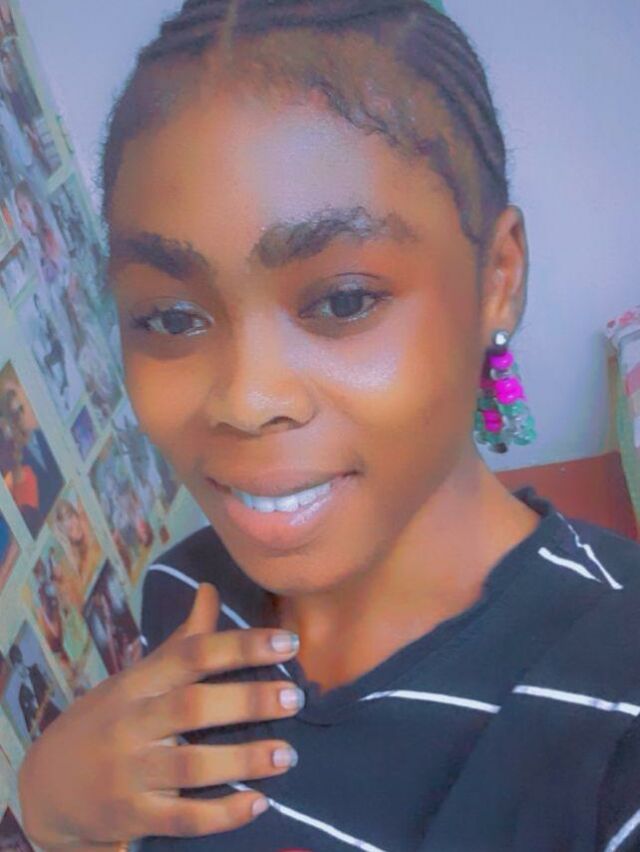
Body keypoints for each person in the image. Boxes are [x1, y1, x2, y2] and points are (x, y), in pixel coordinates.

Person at [17, 2, 640, 851]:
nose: (245, 400)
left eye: (344, 301)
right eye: (169, 318)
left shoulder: (615, 713)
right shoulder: (186, 594)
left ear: (497, 276)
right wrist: (53, 811)